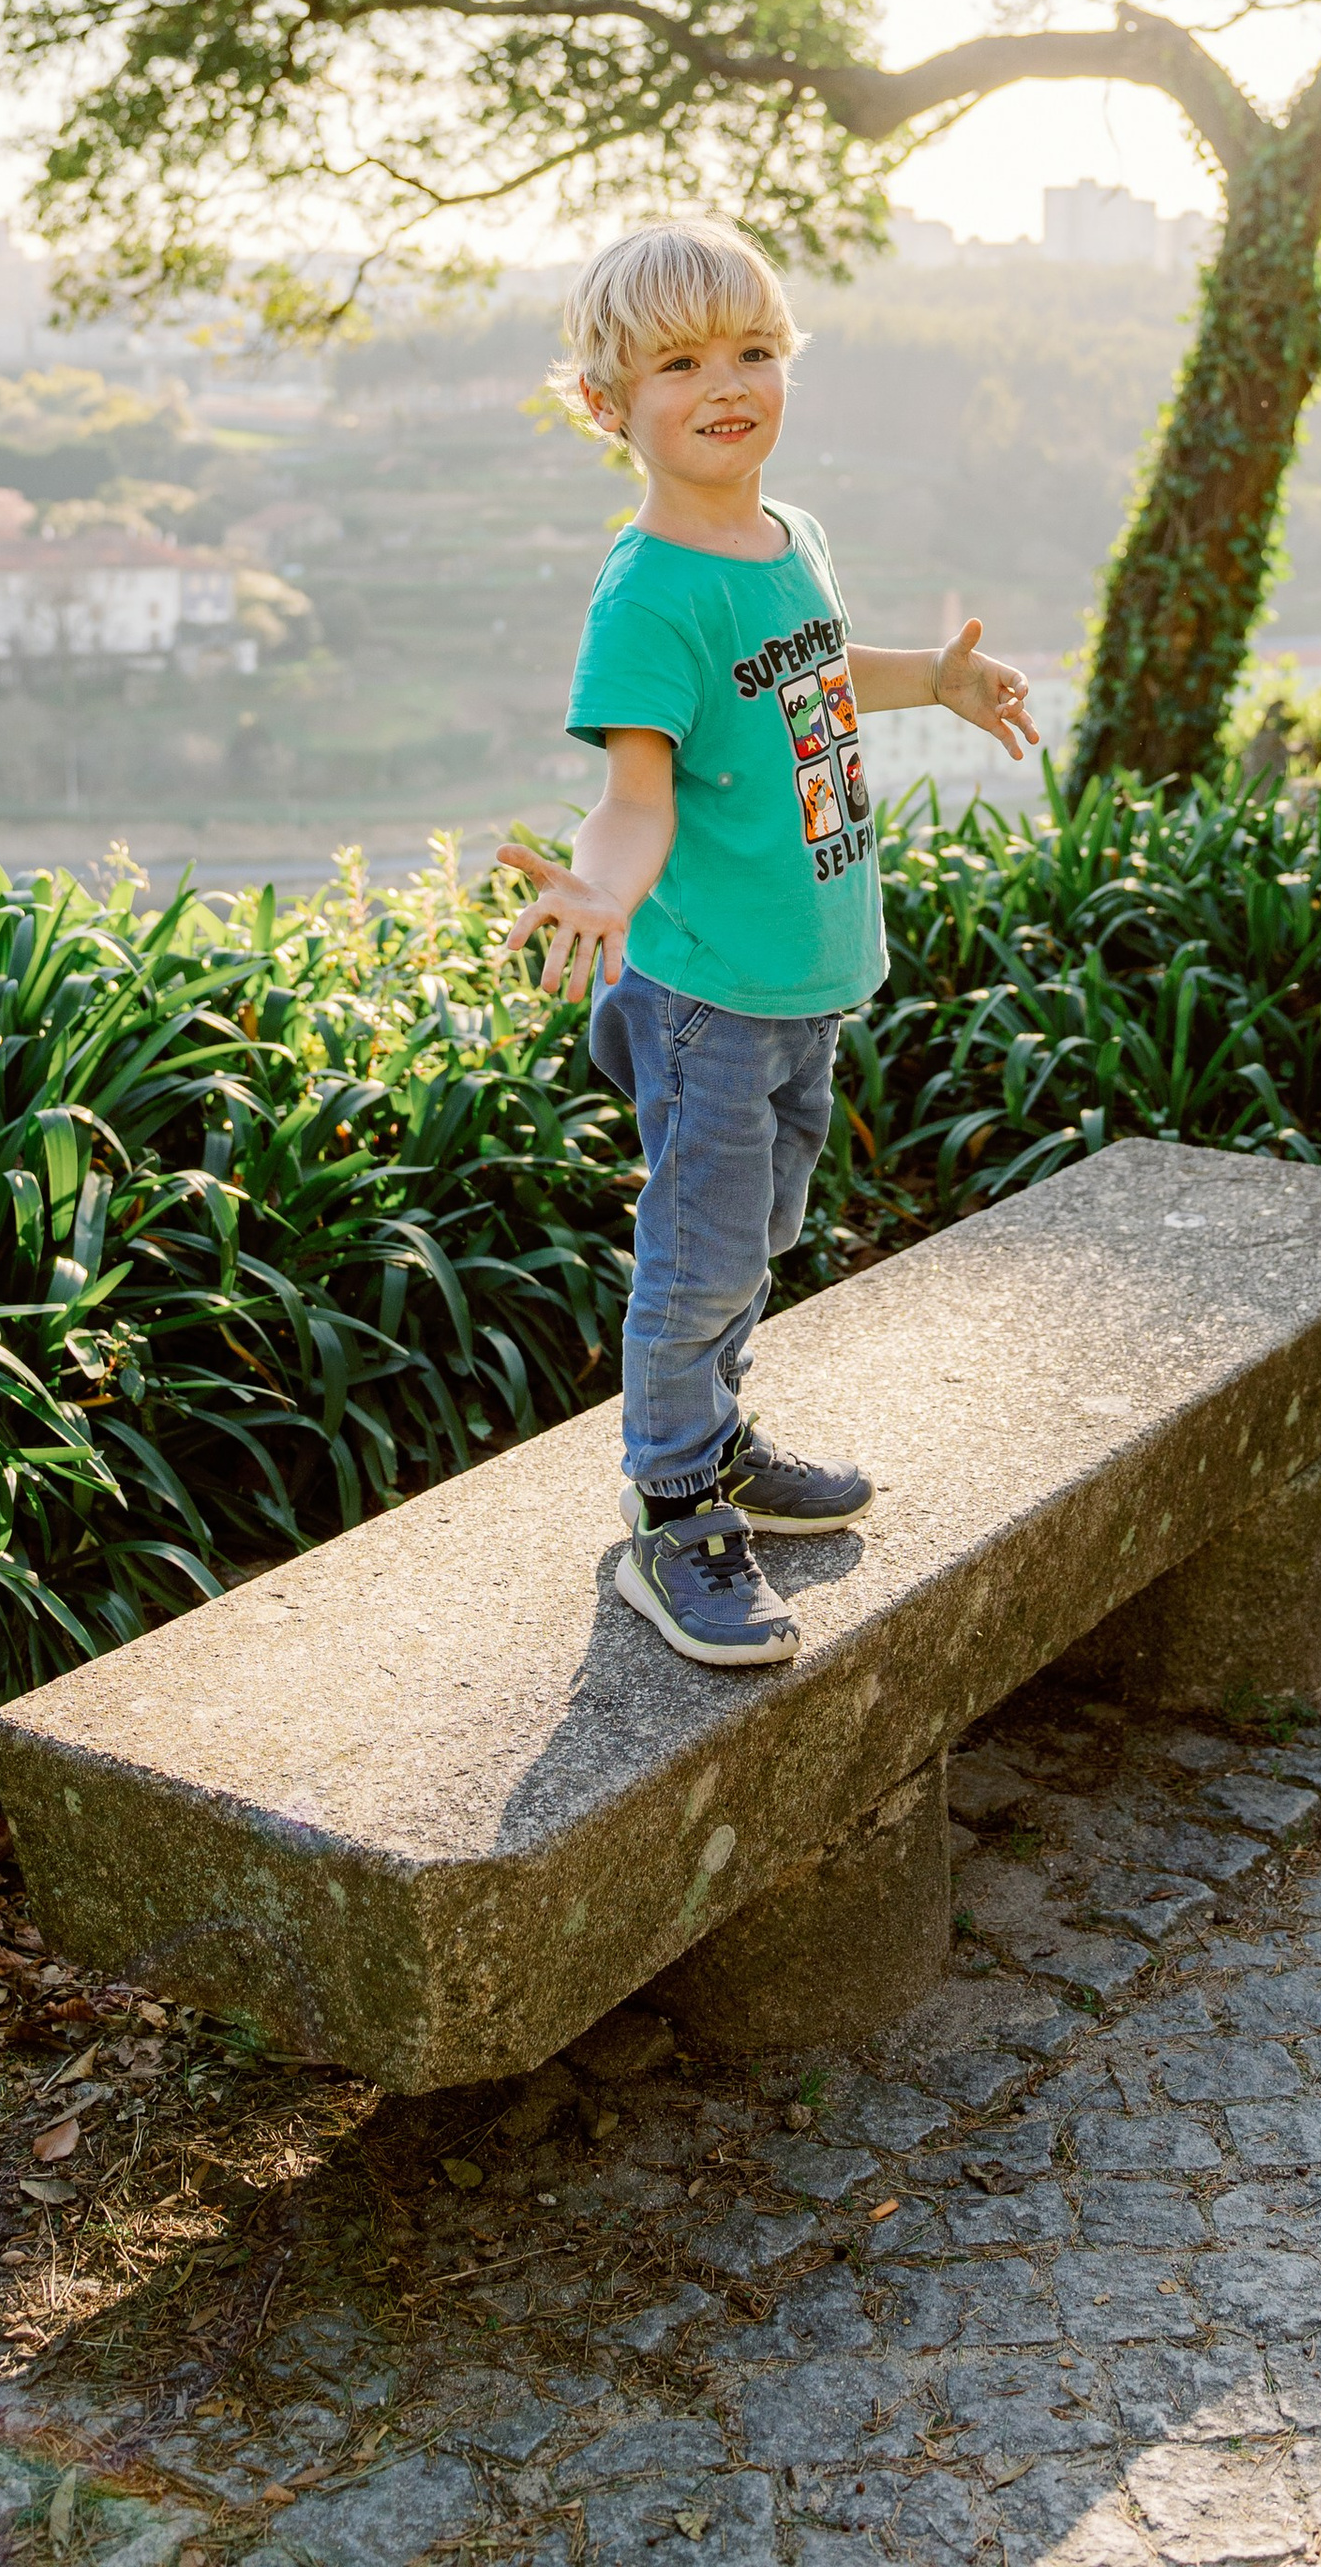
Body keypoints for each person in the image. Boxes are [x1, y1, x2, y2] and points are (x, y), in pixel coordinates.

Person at [498, 217, 1041, 1666]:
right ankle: (671, 1504)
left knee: (761, 1235)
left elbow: (815, 675)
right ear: (611, 405)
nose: (726, 381)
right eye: (680, 361)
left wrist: (933, 676)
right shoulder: (651, 596)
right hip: (710, 1001)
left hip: (802, 982)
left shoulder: (786, 536)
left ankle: (718, 1440)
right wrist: (604, 893)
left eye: (752, 349)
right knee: (698, 1254)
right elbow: (632, 794)